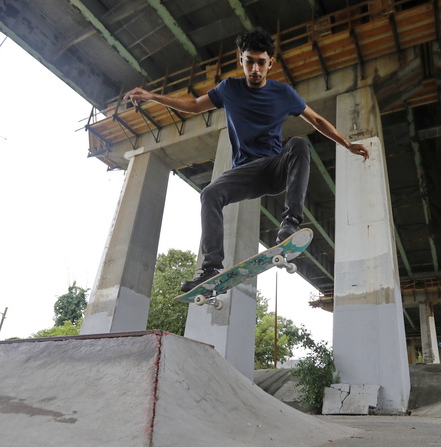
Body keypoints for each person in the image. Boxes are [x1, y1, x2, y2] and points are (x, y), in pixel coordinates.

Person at [125, 28, 369, 292]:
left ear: (270, 63)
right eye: (249, 61)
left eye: (261, 63)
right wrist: (153, 97)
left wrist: (346, 143)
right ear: (240, 59)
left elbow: (317, 120)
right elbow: (195, 105)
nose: (255, 69)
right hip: (245, 173)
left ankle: (290, 223)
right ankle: (210, 268)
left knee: (299, 143)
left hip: (275, 166)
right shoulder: (229, 88)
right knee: (209, 194)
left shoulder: (284, 93)